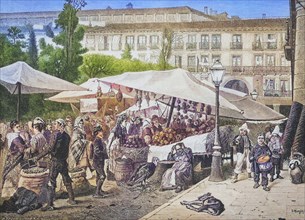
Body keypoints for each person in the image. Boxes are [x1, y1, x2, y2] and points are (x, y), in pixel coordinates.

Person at [41, 118, 76, 211]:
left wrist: (38, 157)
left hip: (55, 162)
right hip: (63, 161)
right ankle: (72, 199)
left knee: (51, 182)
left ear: (60, 125)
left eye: (55, 124)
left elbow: (50, 149)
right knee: (67, 180)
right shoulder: (67, 136)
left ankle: (50, 204)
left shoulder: (55, 134)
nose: (54, 125)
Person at [90, 124, 108, 198]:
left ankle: (99, 190)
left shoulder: (99, 139)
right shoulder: (97, 140)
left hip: (100, 161)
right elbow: (97, 151)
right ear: (97, 133)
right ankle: (97, 193)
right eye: (100, 131)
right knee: (102, 176)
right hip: (97, 161)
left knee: (98, 176)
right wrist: (104, 152)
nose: (102, 133)